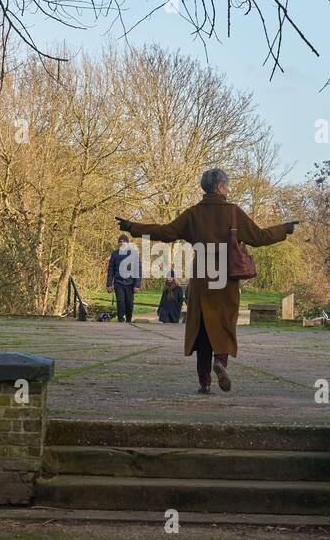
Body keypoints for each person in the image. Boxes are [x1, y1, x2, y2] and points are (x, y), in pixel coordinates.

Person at [117, 168, 296, 394]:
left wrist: (132, 227)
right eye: (227, 186)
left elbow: (166, 232)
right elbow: (259, 237)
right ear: (220, 187)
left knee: (201, 328)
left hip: (201, 278)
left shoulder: (193, 214)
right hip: (226, 278)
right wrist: (284, 229)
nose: (228, 190)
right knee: (224, 322)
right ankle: (220, 361)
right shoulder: (233, 213)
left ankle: (204, 382)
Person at [105, 233, 142, 323]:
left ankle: (128, 319)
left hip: (130, 283)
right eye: (120, 242)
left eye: (124, 242)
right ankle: (121, 320)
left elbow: (138, 270)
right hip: (119, 283)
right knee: (120, 302)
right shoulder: (114, 254)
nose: (122, 243)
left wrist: (137, 285)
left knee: (129, 303)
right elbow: (110, 270)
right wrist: (109, 284)